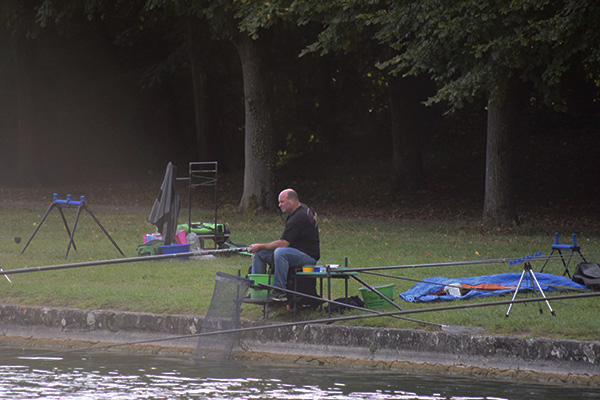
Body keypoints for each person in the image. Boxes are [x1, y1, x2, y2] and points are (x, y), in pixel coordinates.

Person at [248, 188, 320, 302]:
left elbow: (283, 244)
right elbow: (314, 215)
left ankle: (279, 292)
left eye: (282, 201)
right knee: (260, 253)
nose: (279, 205)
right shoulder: (302, 209)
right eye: (279, 202)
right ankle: (258, 289)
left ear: (292, 200)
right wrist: (259, 249)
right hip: (295, 252)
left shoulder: (298, 217)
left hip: (308, 257)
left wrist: (260, 245)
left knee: (281, 252)